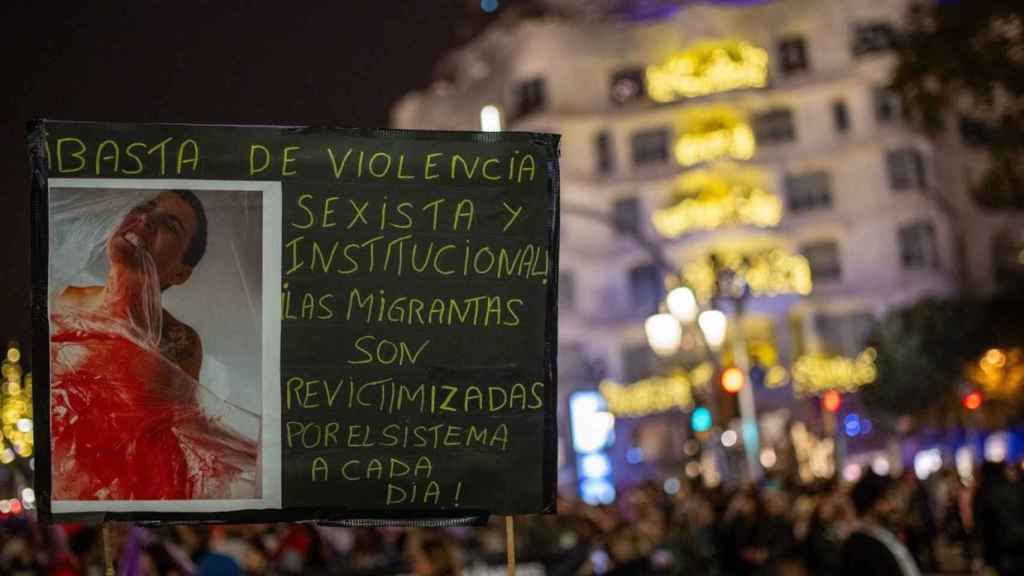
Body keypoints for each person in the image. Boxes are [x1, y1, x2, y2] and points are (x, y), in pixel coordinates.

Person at [50, 190, 257, 500]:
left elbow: (191, 428)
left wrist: (263, 456)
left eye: (170, 226)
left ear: (180, 273)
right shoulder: (61, 304)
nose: (144, 219)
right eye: (142, 208)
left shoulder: (180, 343)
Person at [840, 472, 921, 576]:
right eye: (889, 499)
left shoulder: (880, 535)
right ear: (875, 504)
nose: (895, 505)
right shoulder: (861, 547)